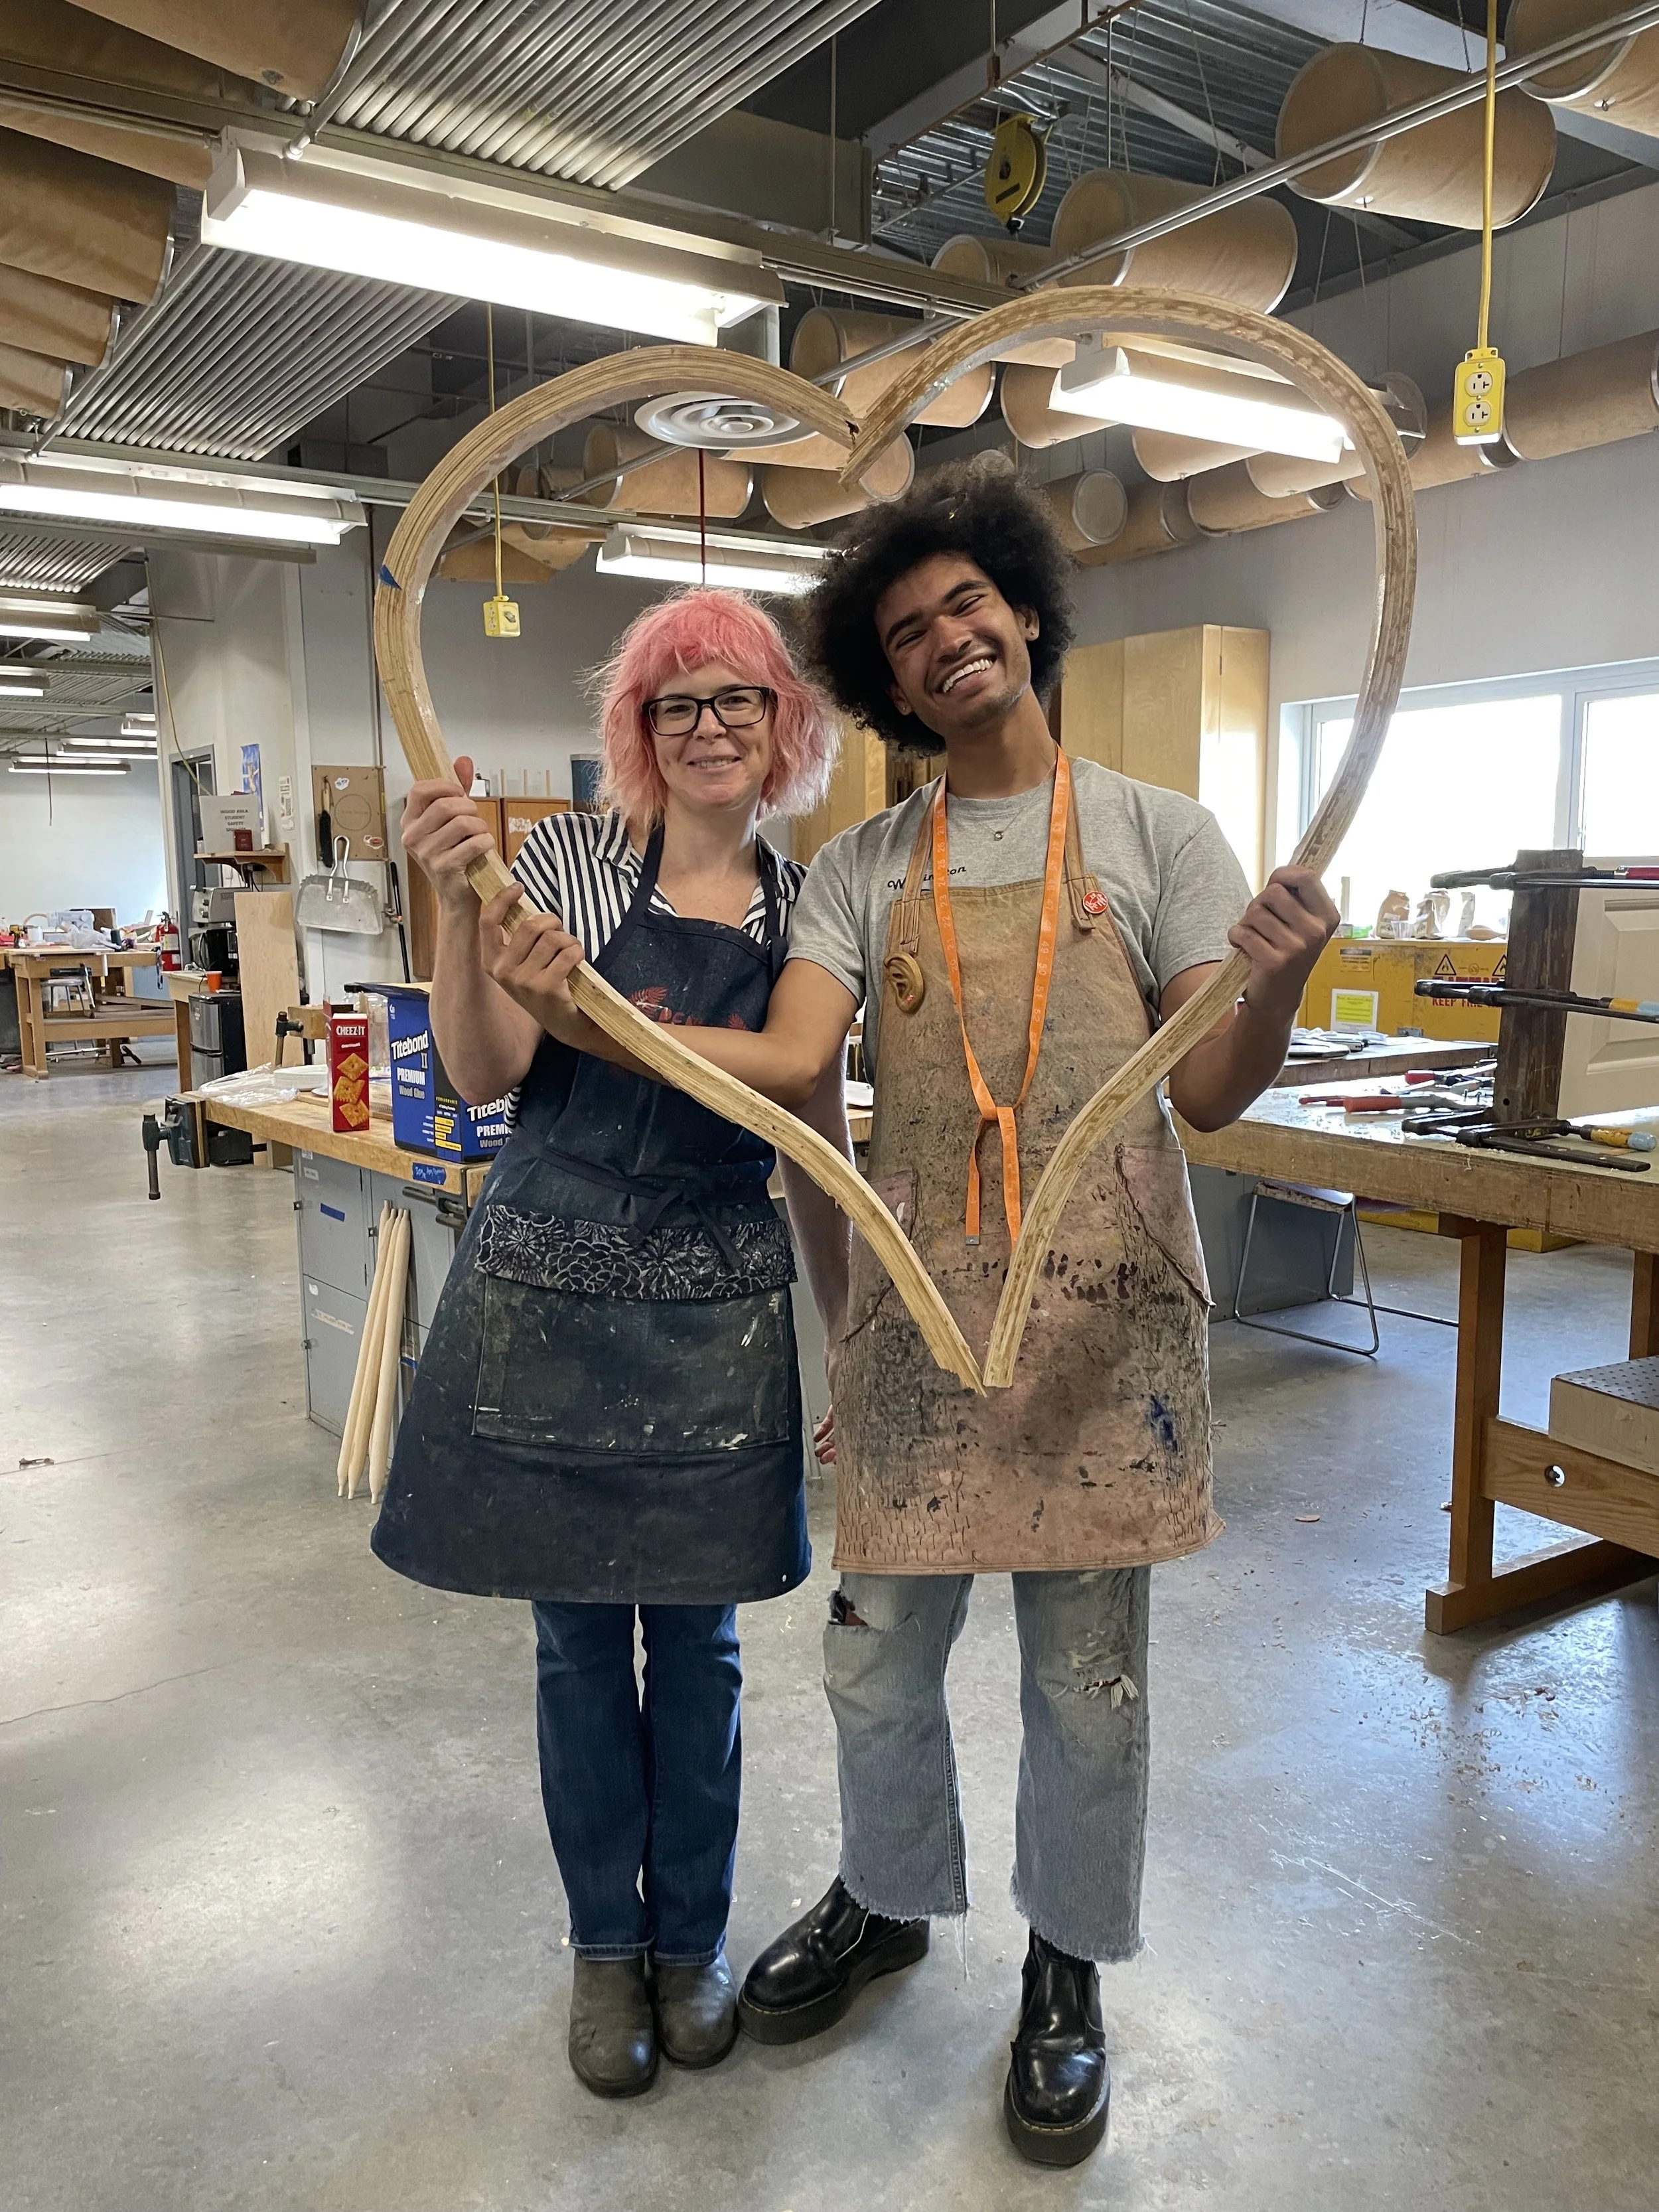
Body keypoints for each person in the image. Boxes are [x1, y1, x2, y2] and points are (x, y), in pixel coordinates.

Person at [488, 463, 1340, 2165]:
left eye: (966, 604)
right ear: (881, 684)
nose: (945, 638)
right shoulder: (863, 866)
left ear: (1024, 612)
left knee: (1084, 1681)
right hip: (920, 1323)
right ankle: (885, 1897)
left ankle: (1064, 1965)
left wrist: (1283, 976)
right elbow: (794, 1065)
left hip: (1103, 1325)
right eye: (903, 632)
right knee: (875, 1661)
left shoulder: (1158, 833)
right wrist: (582, 1013)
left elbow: (1210, 1090)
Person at [370, 588, 851, 2102]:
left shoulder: (810, 909)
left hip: (715, 1300)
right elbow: (480, 1069)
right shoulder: (568, 864)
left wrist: (853, 1334)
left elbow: (810, 1127)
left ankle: (690, 1943)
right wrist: (457, 907)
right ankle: (603, 1949)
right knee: (578, 1645)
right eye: (674, 703)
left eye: (736, 699)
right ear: (637, 730)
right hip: (549, 1285)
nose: (707, 728)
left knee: (699, 1650)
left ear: (783, 723)